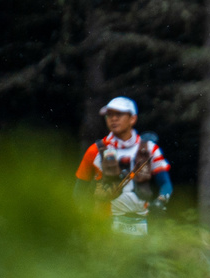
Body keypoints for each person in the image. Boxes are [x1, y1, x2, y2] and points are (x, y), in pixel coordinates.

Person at [73, 96, 172, 235]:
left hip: (142, 224)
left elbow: (166, 184)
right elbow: (79, 191)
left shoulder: (150, 149)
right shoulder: (95, 150)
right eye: (109, 115)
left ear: (133, 119)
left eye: (119, 114)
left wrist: (160, 201)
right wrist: (87, 217)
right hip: (105, 226)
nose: (113, 119)